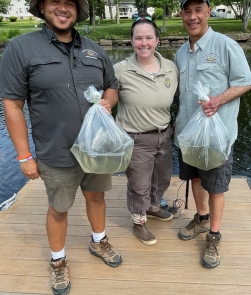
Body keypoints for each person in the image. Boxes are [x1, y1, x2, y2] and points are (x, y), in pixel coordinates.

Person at [0, 0, 122, 294]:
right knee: (59, 209)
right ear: (42, 7)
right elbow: (12, 105)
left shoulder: (93, 48)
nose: (63, 8)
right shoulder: (21, 48)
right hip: (56, 151)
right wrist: (25, 156)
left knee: (97, 198)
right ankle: (58, 260)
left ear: (78, 10)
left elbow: (112, 84)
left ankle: (99, 240)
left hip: (96, 149)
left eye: (70, 3)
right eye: (56, 1)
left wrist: (108, 101)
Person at [174, 0, 251, 268]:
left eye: (199, 10)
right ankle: (201, 218)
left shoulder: (226, 45)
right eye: (187, 11)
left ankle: (214, 235)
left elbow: (245, 81)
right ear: (182, 15)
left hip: (216, 137)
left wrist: (219, 99)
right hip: (188, 134)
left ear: (208, 13)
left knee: (216, 186)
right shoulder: (181, 53)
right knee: (195, 177)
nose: (193, 17)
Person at [113, 11, 178, 246]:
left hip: (164, 135)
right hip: (136, 138)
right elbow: (105, 96)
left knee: (162, 179)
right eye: (138, 38)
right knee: (139, 185)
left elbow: (180, 96)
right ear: (131, 41)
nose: (144, 43)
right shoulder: (120, 69)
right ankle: (138, 222)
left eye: (149, 38)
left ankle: (153, 207)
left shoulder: (170, 68)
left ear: (157, 40)